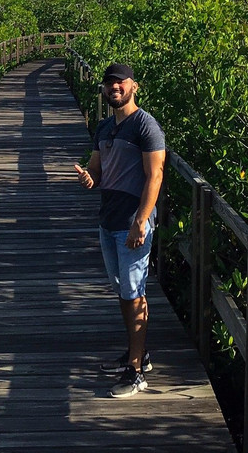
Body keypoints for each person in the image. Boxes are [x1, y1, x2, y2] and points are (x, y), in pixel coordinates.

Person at [73, 62, 165, 398]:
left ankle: (136, 372)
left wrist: (141, 221)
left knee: (133, 293)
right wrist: (89, 178)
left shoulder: (146, 126)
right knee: (124, 292)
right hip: (108, 220)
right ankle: (137, 354)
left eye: (121, 83)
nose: (115, 87)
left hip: (132, 224)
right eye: (110, 83)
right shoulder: (104, 128)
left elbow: (155, 175)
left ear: (133, 86)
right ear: (104, 89)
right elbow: (97, 171)